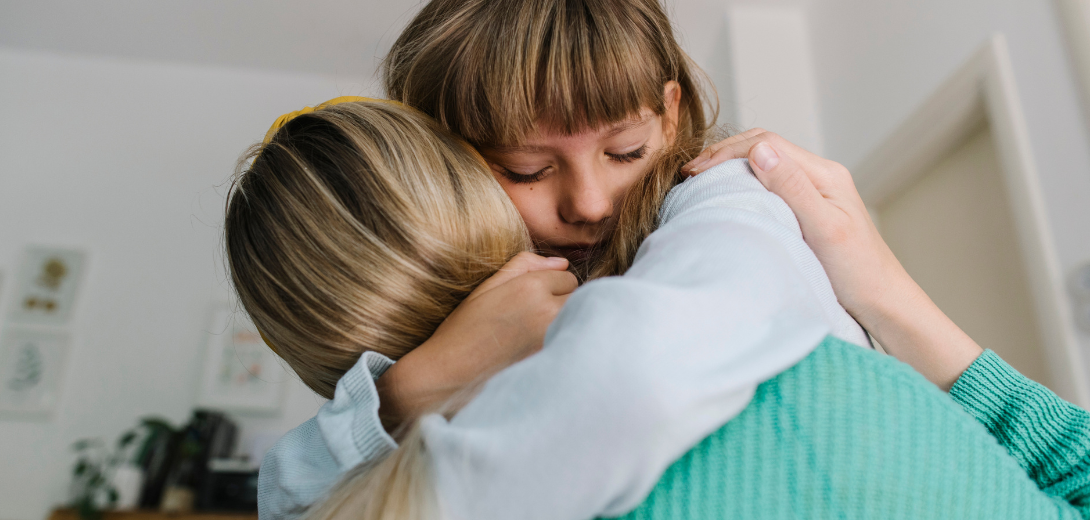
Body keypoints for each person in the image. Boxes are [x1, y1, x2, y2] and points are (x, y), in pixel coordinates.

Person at [228, 99, 1090, 520]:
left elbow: (285, 494)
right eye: (528, 167)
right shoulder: (776, 374)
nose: (594, 205)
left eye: (627, 150)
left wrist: (404, 396)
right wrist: (888, 293)